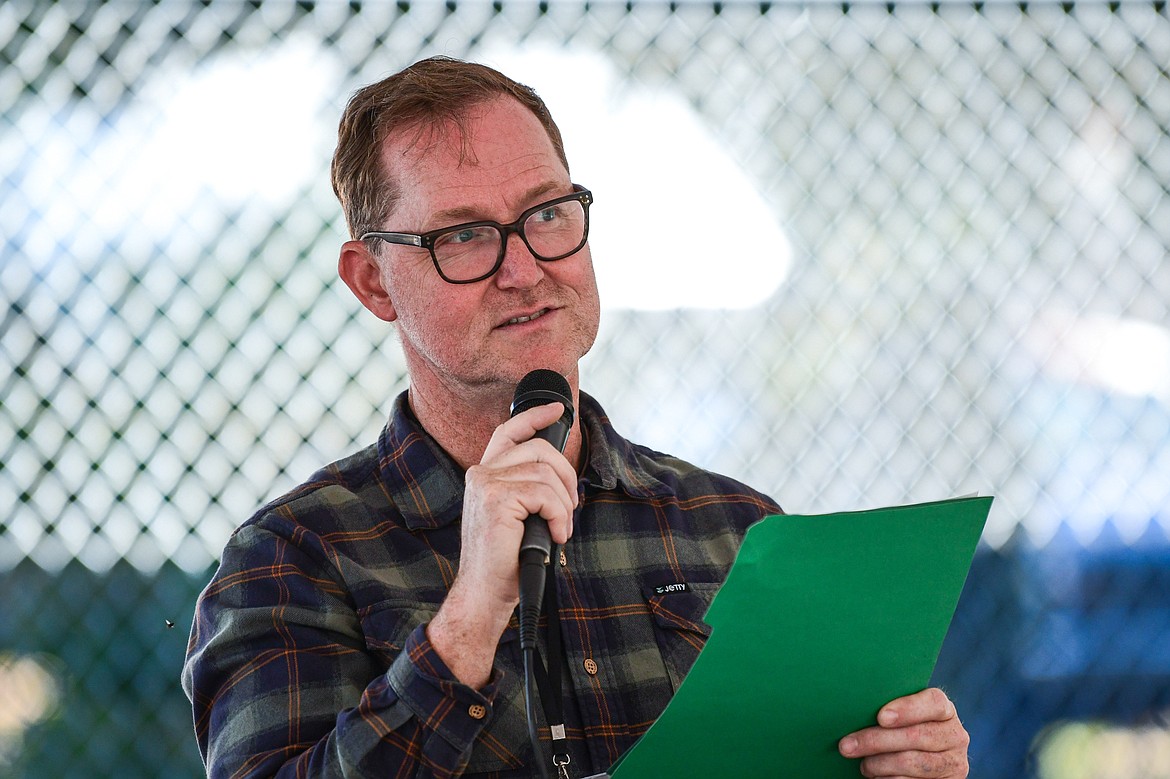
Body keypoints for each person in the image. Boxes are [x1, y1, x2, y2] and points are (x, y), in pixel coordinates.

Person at [182, 56, 970, 779]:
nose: (524, 270)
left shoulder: (737, 531)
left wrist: (900, 760)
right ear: (373, 282)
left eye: (547, 215)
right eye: (463, 236)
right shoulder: (290, 561)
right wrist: (464, 629)